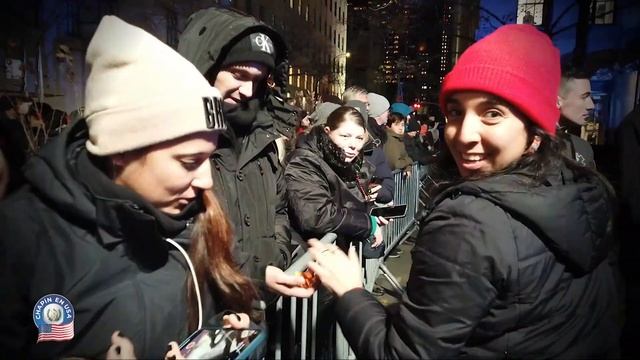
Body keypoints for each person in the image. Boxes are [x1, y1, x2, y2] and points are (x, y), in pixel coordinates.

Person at [307, 24, 620, 358]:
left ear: (535, 132)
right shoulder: (577, 189)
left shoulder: (470, 221)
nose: (463, 133)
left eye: (493, 114)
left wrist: (351, 290)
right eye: (456, 112)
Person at [0, 16, 257, 358]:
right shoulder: (18, 237)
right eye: (188, 161)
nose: (206, 181)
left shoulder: (197, 218)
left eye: (209, 157)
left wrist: (221, 336)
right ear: (120, 152)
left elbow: (216, 308)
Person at [178, 7, 312, 299]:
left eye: (259, 78)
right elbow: (179, 234)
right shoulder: (175, 143)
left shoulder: (263, 139)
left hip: (258, 312)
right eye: (238, 74)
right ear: (206, 67)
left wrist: (275, 258)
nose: (248, 90)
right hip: (203, 316)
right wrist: (254, 272)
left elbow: (278, 211)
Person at [557, 66, 597, 168]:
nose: (591, 106)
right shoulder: (531, 145)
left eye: (590, 97)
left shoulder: (583, 147)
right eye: (584, 97)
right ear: (558, 101)